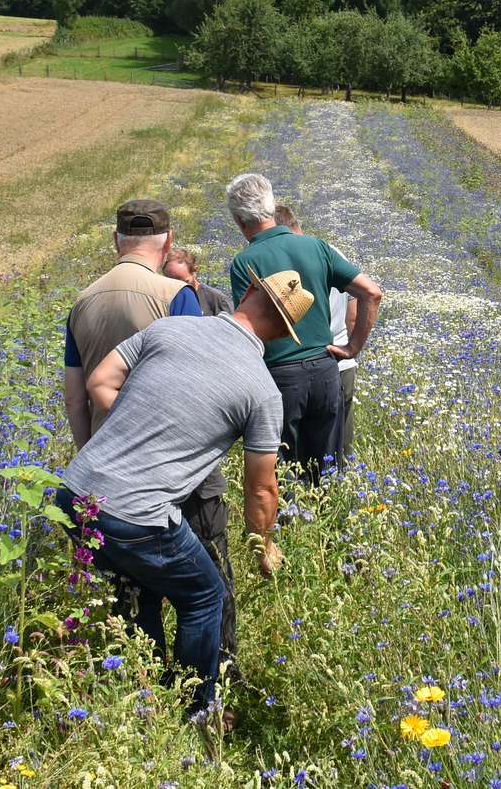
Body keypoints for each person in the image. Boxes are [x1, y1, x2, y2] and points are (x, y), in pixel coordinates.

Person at [56, 269, 302, 718]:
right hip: (136, 515)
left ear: (246, 293)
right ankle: (194, 710)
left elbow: (98, 383)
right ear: (284, 335)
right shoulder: (262, 390)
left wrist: (138, 430)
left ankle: (143, 700)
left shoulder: (170, 328)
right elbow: (262, 487)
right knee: (204, 595)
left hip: (76, 493)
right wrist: (264, 545)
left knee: (138, 590)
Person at [63, 201, 233, 665]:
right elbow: (200, 384)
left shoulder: (83, 301)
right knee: (208, 584)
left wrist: (94, 452)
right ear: (168, 242)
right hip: (178, 467)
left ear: (115, 241)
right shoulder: (177, 295)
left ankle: (146, 693)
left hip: (112, 479)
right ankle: (211, 687)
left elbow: (76, 399)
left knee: (134, 600)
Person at [227, 174, 382, 484]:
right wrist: (352, 348)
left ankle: (291, 531)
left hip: (280, 376)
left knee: (284, 475)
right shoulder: (316, 246)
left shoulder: (245, 262)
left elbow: (249, 330)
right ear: (271, 206)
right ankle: (330, 527)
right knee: (327, 470)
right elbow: (371, 293)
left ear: (238, 219)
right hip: (326, 369)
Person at [279, 207, 363, 463]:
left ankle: (304, 502)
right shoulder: (330, 251)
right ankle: (335, 498)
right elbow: (353, 309)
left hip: (300, 365)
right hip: (341, 362)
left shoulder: (283, 259)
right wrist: (352, 347)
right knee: (337, 451)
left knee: (297, 453)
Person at [164, 246, 234, 316]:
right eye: (174, 282)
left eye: (185, 282)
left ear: (194, 271)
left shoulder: (216, 299)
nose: (180, 287)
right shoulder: (164, 298)